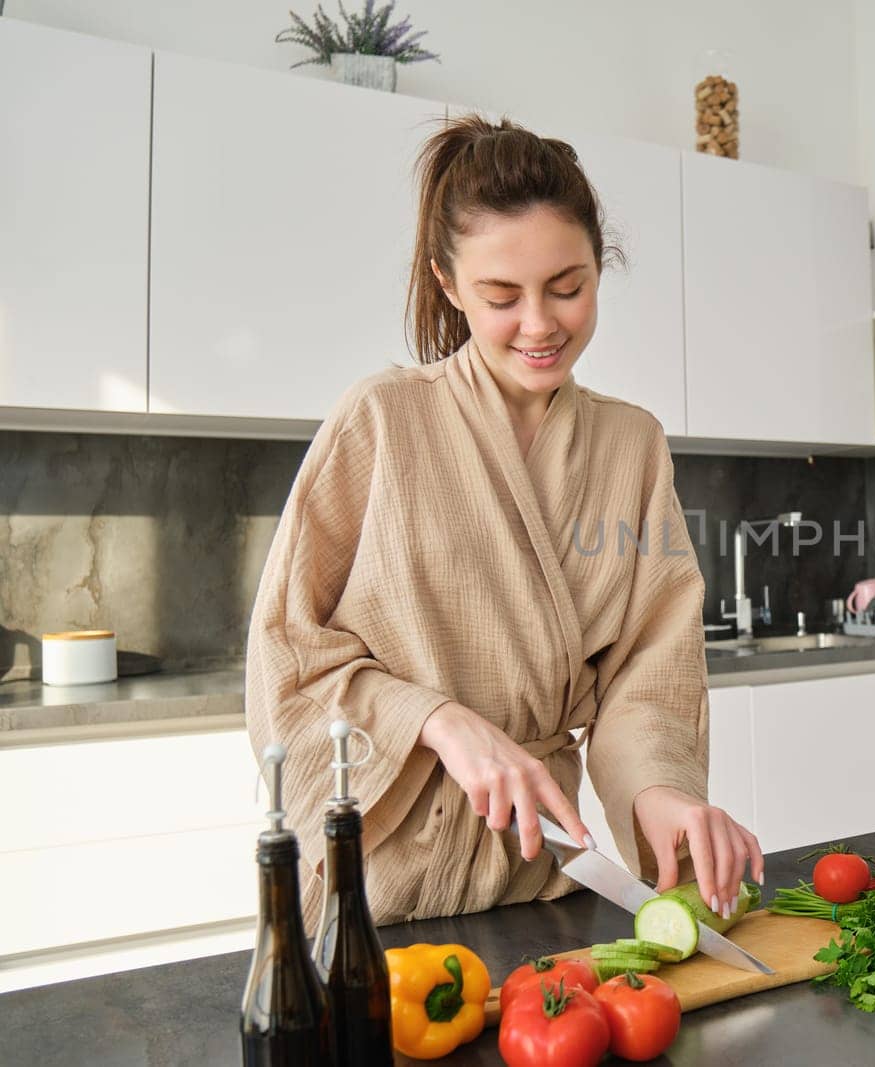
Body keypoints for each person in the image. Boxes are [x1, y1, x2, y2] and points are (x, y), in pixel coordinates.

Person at [245, 114, 762, 925]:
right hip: (380, 888)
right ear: (448, 285)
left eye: (569, 286)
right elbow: (287, 652)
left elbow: (647, 678)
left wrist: (660, 791)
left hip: (544, 882)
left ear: (600, 268)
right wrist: (440, 722)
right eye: (501, 296)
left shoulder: (632, 445)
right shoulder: (380, 420)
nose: (540, 324)